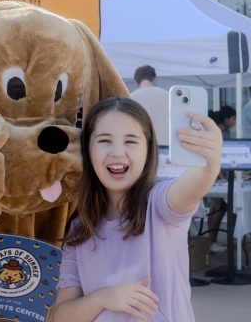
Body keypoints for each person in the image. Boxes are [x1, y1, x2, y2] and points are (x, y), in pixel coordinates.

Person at [48, 97, 221, 321]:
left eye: (131, 141)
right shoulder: (80, 229)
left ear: (148, 150)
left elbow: (192, 187)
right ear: (88, 151)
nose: (117, 152)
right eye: (104, 140)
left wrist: (210, 165)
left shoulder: (159, 205)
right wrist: (104, 297)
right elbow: (60, 316)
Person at [206, 105, 236, 253]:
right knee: (221, 207)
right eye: (233, 118)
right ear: (226, 119)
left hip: (219, 174)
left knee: (216, 207)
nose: (235, 121)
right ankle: (212, 242)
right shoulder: (214, 131)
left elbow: (225, 154)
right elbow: (213, 155)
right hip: (210, 173)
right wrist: (220, 175)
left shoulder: (226, 131)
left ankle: (211, 241)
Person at [130, 65, 169, 146]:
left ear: (136, 81)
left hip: (142, 146)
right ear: (155, 79)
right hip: (167, 145)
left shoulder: (130, 98)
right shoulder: (168, 96)